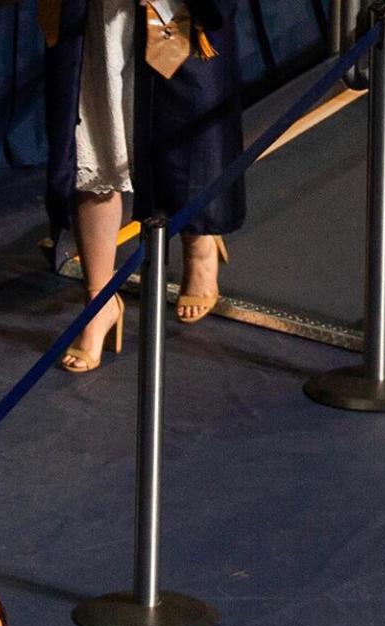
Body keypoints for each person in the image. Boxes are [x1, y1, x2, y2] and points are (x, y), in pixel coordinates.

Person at [43, 0, 245, 369]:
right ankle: (98, 301)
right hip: (96, 19)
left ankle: (199, 243)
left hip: (170, 14)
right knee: (94, 146)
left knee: (185, 138)